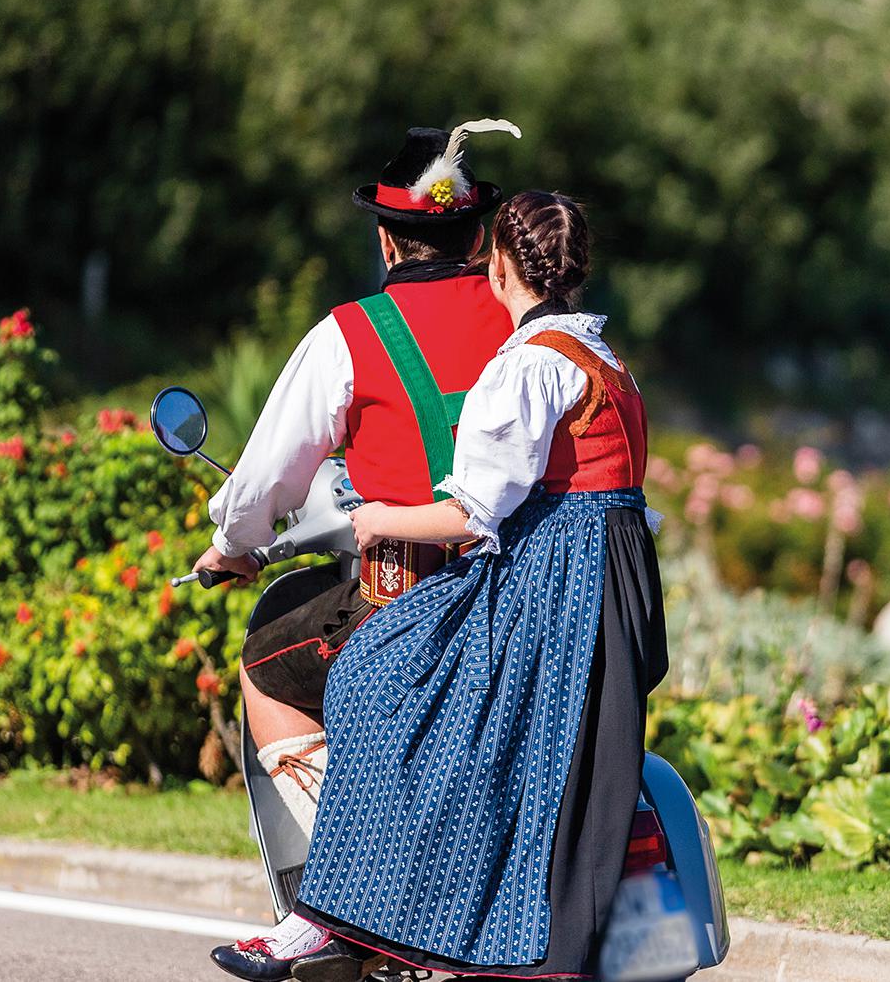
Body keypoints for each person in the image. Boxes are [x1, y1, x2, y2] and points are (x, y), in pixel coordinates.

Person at [212, 192, 668, 982]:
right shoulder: (604, 359)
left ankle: (337, 913)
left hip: (539, 589)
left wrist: (281, 534)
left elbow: (469, 511)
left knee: (365, 676)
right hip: (611, 589)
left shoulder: (503, 360)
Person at [191, 121, 522, 865]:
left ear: (385, 241)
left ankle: (346, 876)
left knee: (267, 668)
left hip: (403, 603)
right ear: (477, 240)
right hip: (521, 601)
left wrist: (231, 544)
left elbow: (265, 475)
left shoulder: (350, 335)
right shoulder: (525, 327)